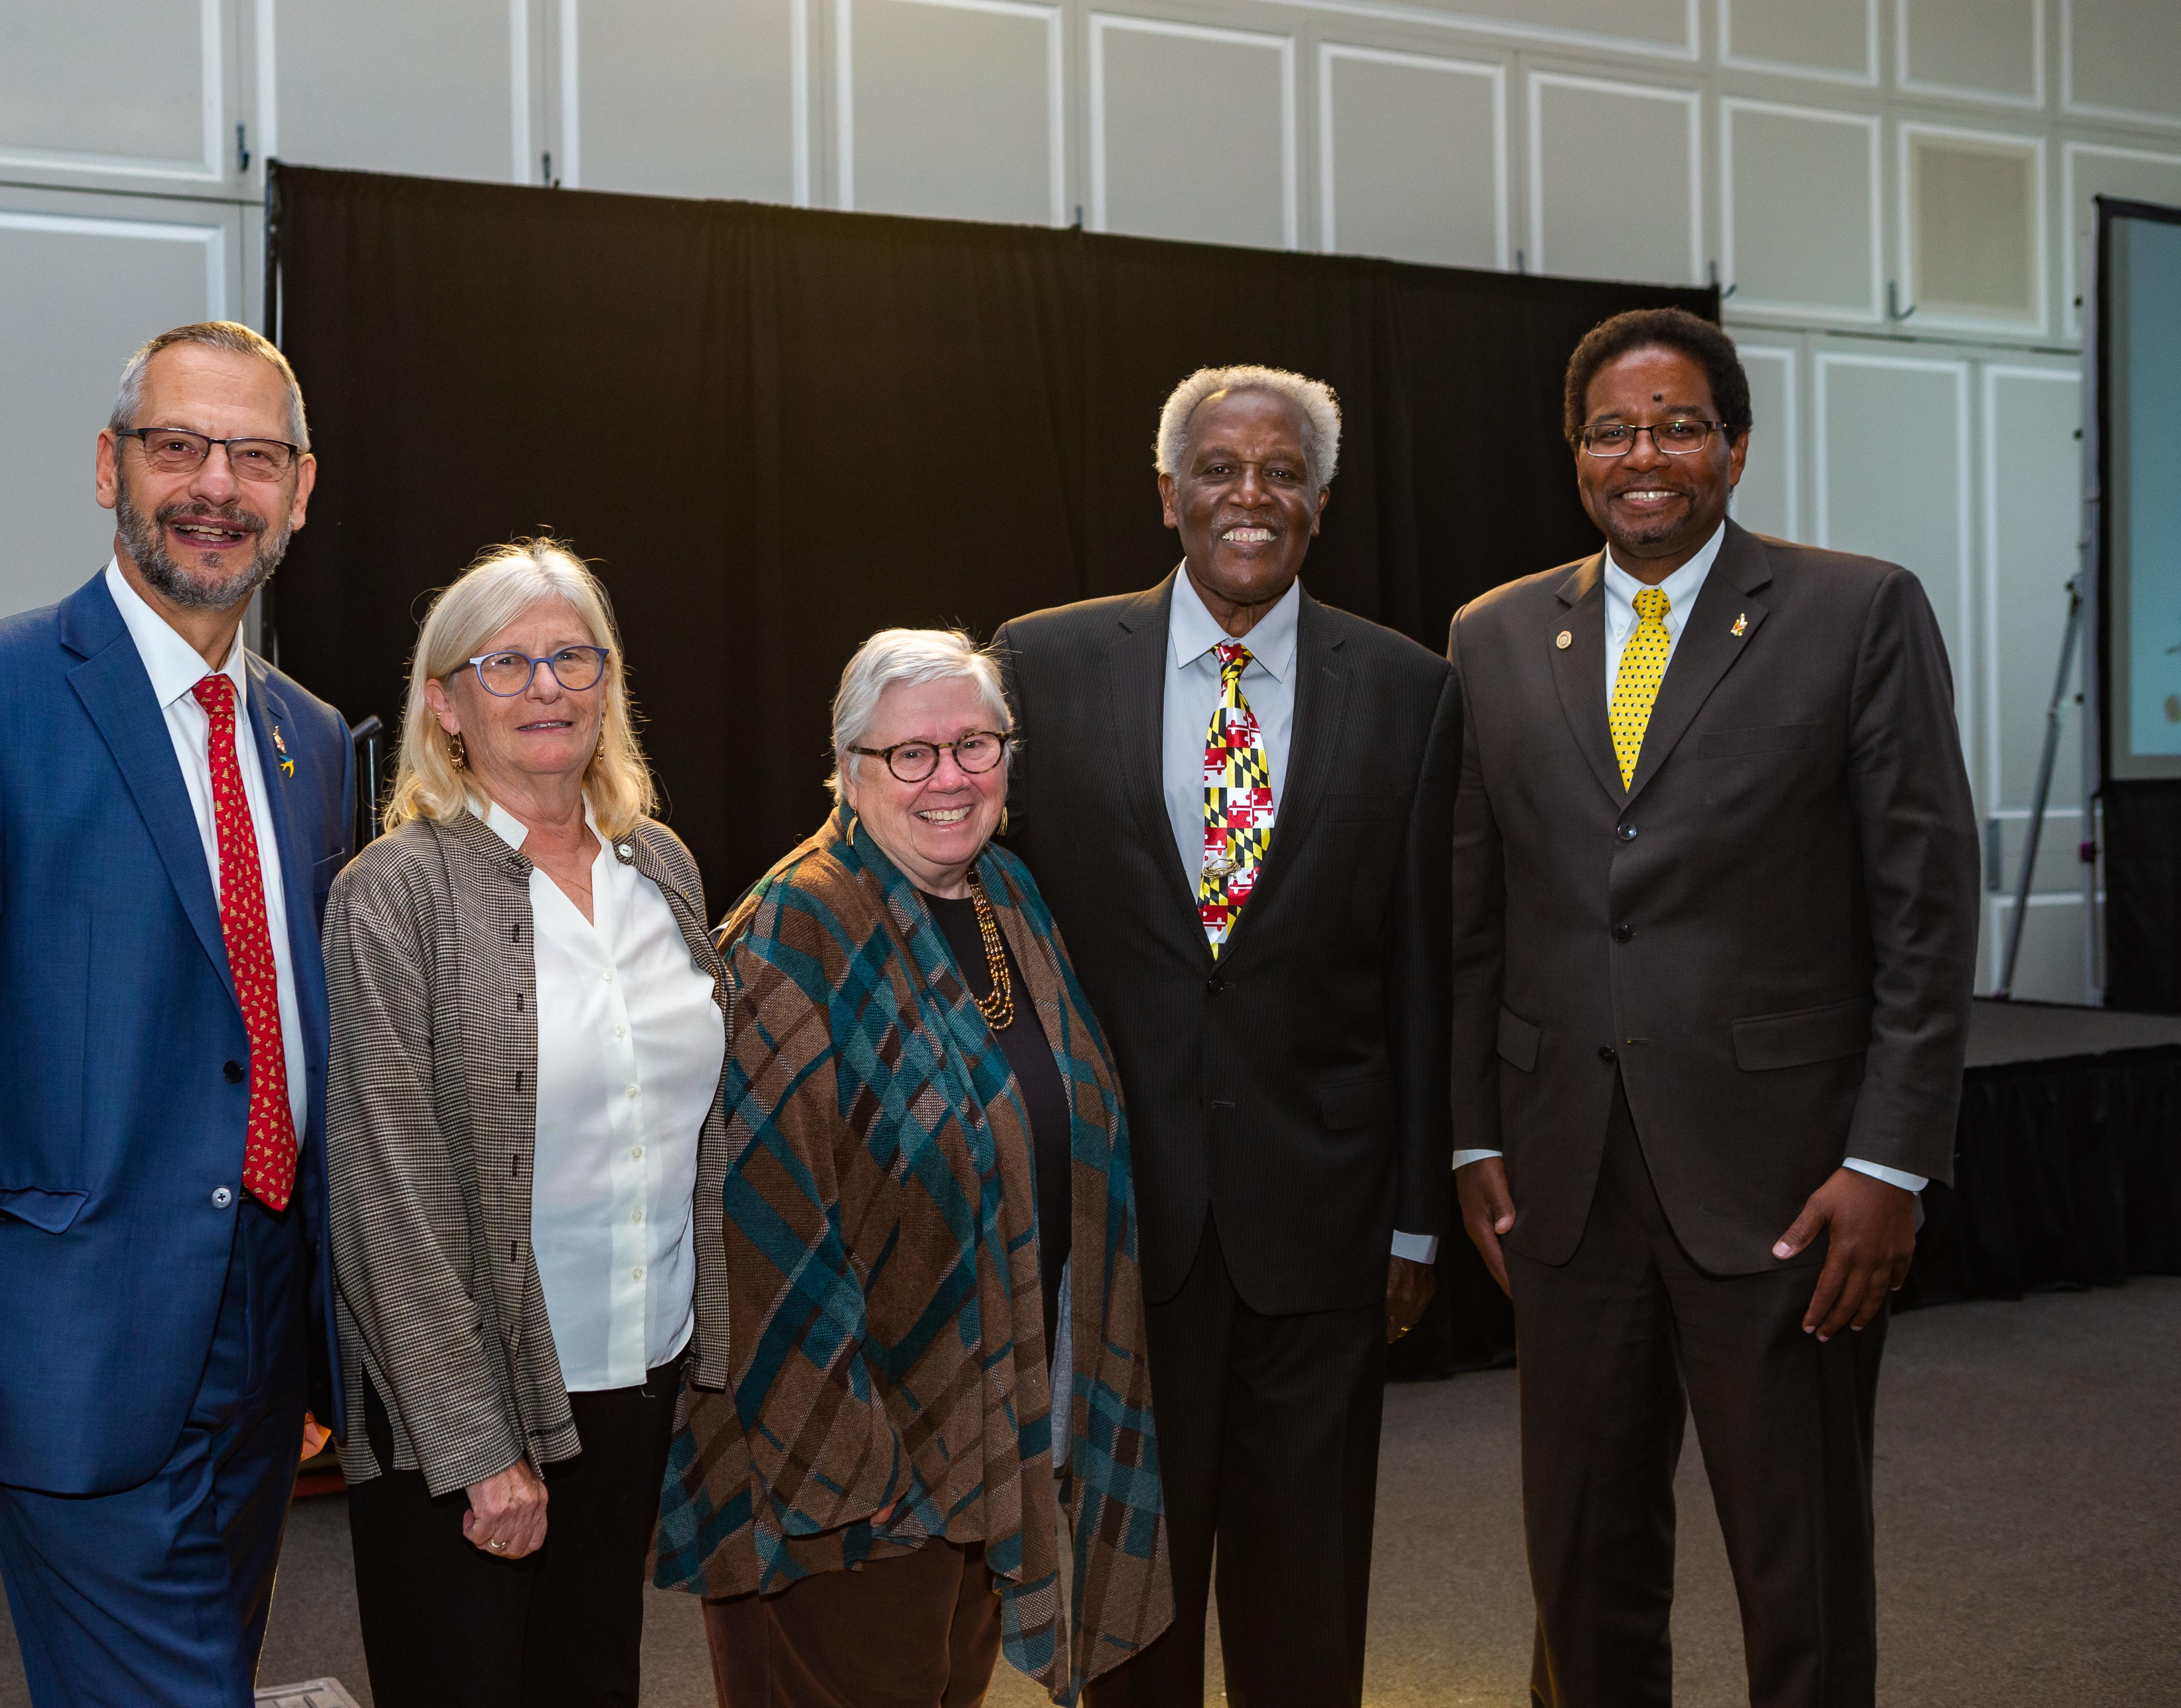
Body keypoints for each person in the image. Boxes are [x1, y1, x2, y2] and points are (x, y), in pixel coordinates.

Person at [1449, 307, 1979, 1708]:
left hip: (1791, 1187)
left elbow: (1926, 907)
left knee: (1798, 1571)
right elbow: (1472, 912)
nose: (1646, 455)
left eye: (1678, 424)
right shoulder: (1495, 636)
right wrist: (1468, 1138)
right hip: (1563, 1186)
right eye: (1615, 429)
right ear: (1577, 455)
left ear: (1734, 448)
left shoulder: (1859, 612)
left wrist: (1888, 1160)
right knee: (1582, 1565)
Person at [0, 321, 352, 1705]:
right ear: (108, 466)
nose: (214, 486)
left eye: (254, 456)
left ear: (303, 489)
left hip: (263, 1357)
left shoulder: (312, 741)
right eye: (178, 446)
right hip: (69, 1358)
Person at [991, 365, 1459, 1708]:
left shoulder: (1412, 689)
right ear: (1167, 495)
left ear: (1318, 500)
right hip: (1116, 1215)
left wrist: (1416, 1216)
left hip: (1326, 1219)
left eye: (1279, 471)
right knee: (1129, 1589)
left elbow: (1425, 967)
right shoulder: (1044, 663)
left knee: (1306, 1598)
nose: (1247, 496)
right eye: (1218, 468)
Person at [656, 629, 1169, 1708]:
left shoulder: (1007, 898)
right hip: (846, 1491)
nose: (950, 779)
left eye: (975, 746)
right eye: (911, 755)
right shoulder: (798, 924)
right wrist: (860, 1476)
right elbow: (759, 1229)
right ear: (847, 768)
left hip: (985, 1442)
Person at [323, 539, 731, 1708]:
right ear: (444, 704)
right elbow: (388, 1194)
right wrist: (480, 1450)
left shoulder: (662, 867)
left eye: (572, 658)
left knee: (597, 1681)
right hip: (471, 1411)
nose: (546, 687)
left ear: (608, 687)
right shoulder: (393, 893)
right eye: (506, 665)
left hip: (641, 1369)